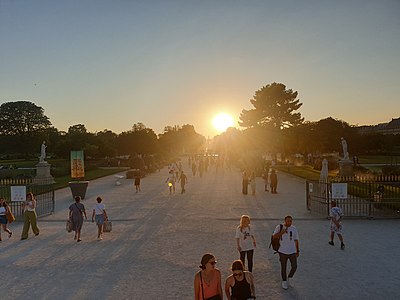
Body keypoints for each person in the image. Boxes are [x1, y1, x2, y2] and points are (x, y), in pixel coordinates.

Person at [272, 215, 300, 290]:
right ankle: (284, 281)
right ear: (285, 221)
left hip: (292, 251)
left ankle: (290, 277)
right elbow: (274, 236)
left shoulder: (294, 229)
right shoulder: (279, 227)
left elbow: (296, 240)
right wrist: (281, 233)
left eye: (291, 221)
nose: (289, 222)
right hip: (282, 251)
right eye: (288, 221)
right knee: (283, 267)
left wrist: (297, 250)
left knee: (294, 266)